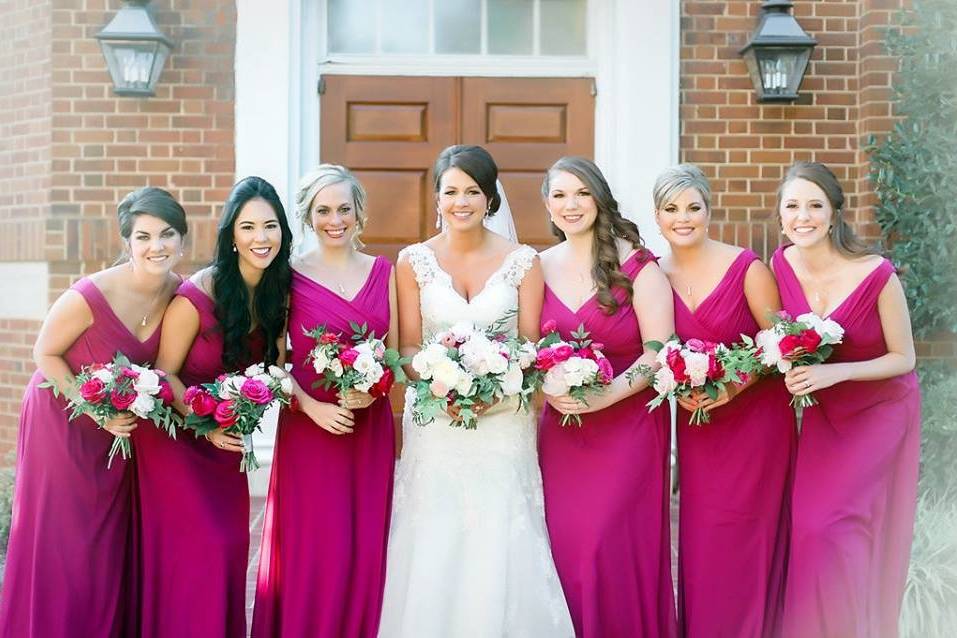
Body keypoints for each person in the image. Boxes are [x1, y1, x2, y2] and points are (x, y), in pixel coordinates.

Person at [378, 145, 574, 637]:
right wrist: (442, 384)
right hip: (436, 424)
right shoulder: (412, 261)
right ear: (437, 198)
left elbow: (530, 348)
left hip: (503, 422)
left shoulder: (523, 261)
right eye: (451, 191)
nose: (461, 201)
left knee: (501, 532)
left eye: (472, 191)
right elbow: (406, 349)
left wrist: (496, 388)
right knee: (435, 532)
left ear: (490, 199)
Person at [0, 188, 187, 638]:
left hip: (115, 430)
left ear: (182, 239)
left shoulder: (180, 295)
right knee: (61, 539)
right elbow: (44, 354)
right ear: (127, 242)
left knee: (101, 543)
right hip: (60, 420)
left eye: (166, 234)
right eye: (143, 236)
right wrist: (94, 410)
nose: (155, 246)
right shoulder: (89, 294)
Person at [132, 176, 292, 638]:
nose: (260, 238)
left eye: (270, 226)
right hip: (178, 441)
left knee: (227, 553)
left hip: (225, 446)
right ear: (232, 236)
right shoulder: (196, 299)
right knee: (201, 552)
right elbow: (164, 375)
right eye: (248, 228)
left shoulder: (276, 292)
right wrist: (204, 426)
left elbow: (275, 366)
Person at [771, 161, 920, 638]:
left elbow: (904, 358)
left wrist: (836, 372)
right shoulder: (780, 264)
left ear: (834, 214)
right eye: (792, 206)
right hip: (823, 416)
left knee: (839, 529)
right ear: (780, 215)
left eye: (815, 206)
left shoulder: (877, 274)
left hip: (878, 411)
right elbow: (778, 335)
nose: (803, 217)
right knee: (811, 529)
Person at [252, 165, 397, 637]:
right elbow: (271, 363)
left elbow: (396, 354)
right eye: (323, 210)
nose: (335, 219)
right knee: (313, 546)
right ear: (308, 216)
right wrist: (311, 408)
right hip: (311, 430)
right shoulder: (287, 277)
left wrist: (375, 388)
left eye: (343, 209)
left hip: (367, 428)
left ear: (359, 213)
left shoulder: (385, 273)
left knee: (363, 542)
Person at [537, 156, 677, 638]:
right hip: (562, 433)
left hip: (628, 430)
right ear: (547, 206)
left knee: (607, 546)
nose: (571, 205)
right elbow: (521, 349)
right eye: (559, 195)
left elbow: (659, 349)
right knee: (565, 550)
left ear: (599, 197)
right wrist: (547, 387)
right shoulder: (535, 267)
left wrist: (612, 392)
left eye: (581, 193)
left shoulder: (636, 265)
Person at [653, 164, 795, 638]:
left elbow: (782, 342)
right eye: (672, 209)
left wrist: (732, 384)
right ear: (657, 217)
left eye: (693, 207)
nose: (683, 218)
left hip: (756, 422)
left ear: (709, 211)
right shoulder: (653, 275)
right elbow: (653, 349)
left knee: (749, 535)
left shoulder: (747, 268)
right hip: (700, 428)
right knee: (705, 538)